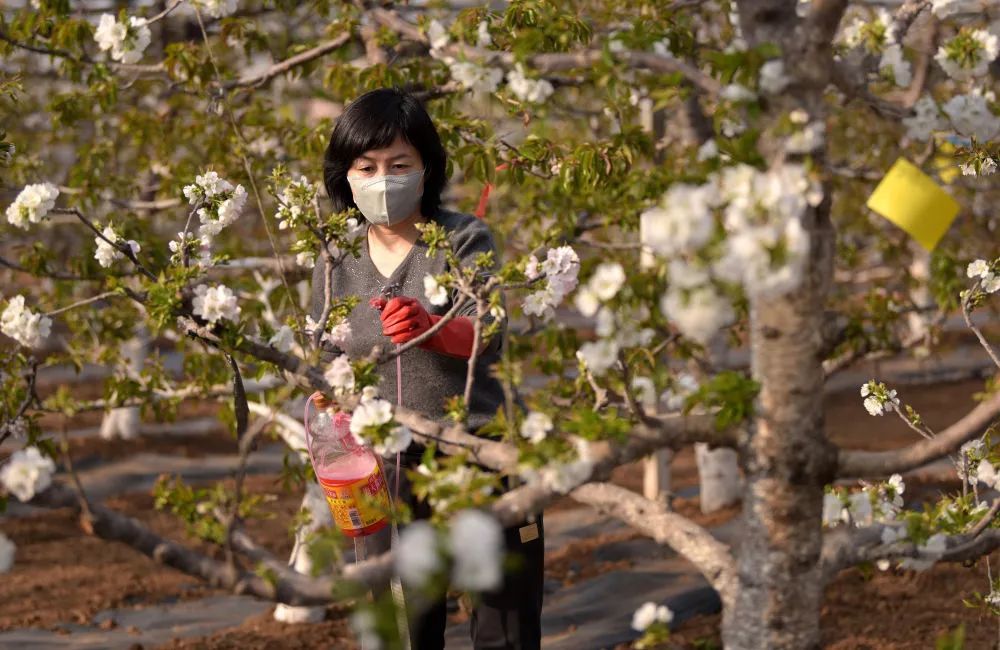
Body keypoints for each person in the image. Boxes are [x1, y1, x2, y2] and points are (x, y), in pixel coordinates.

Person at [311, 87, 544, 650]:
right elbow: (327, 353)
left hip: (478, 453)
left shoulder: (461, 238)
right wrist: (326, 403)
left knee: (501, 622)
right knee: (403, 627)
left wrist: (430, 328)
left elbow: (488, 333)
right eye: (366, 166)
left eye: (399, 164)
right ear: (345, 175)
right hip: (385, 466)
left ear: (427, 168)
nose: (382, 178)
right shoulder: (335, 256)